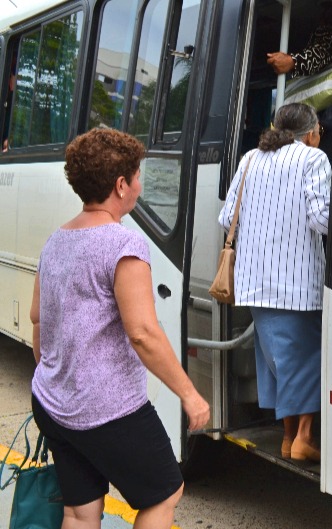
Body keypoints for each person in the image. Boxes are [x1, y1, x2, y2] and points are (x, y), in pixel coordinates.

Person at [29, 128, 210, 529]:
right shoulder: (122, 244)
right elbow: (143, 333)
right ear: (120, 184)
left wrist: (57, 381)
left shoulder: (56, 240)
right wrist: (190, 395)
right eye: (138, 176)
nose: (141, 186)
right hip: (107, 410)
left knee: (80, 510)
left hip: (51, 403)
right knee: (165, 492)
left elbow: (38, 319)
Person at [217, 102, 329, 462]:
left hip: (252, 282)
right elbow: (323, 219)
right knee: (309, 359)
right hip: (297, 285)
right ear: (311, 132)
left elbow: (225, 217)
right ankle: (305, 439)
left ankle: (287, 438)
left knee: (278, 363)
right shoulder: (313, 159)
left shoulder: (250, 158)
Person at [267, 0, 332, 157]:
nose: (322, 16)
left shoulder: (329, 31)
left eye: (326, 10)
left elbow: (319, 54)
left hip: (328, 106)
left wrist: (293, 62)